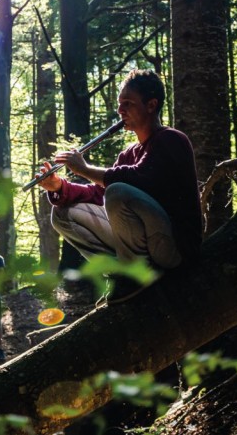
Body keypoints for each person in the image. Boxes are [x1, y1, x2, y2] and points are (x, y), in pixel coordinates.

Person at [36, 69, 202, 300]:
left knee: (118, 191)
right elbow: (98, 194)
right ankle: (121, 274)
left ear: (151, 105)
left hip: (175, 248)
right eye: (119, 103)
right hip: (145, 245)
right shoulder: (128, 154)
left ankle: (136, 277)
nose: (120, 110)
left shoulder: (172, 139)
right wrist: (59, 187)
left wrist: (83, 169)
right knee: (62, 214)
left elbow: (137, 178)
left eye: (128, 103)